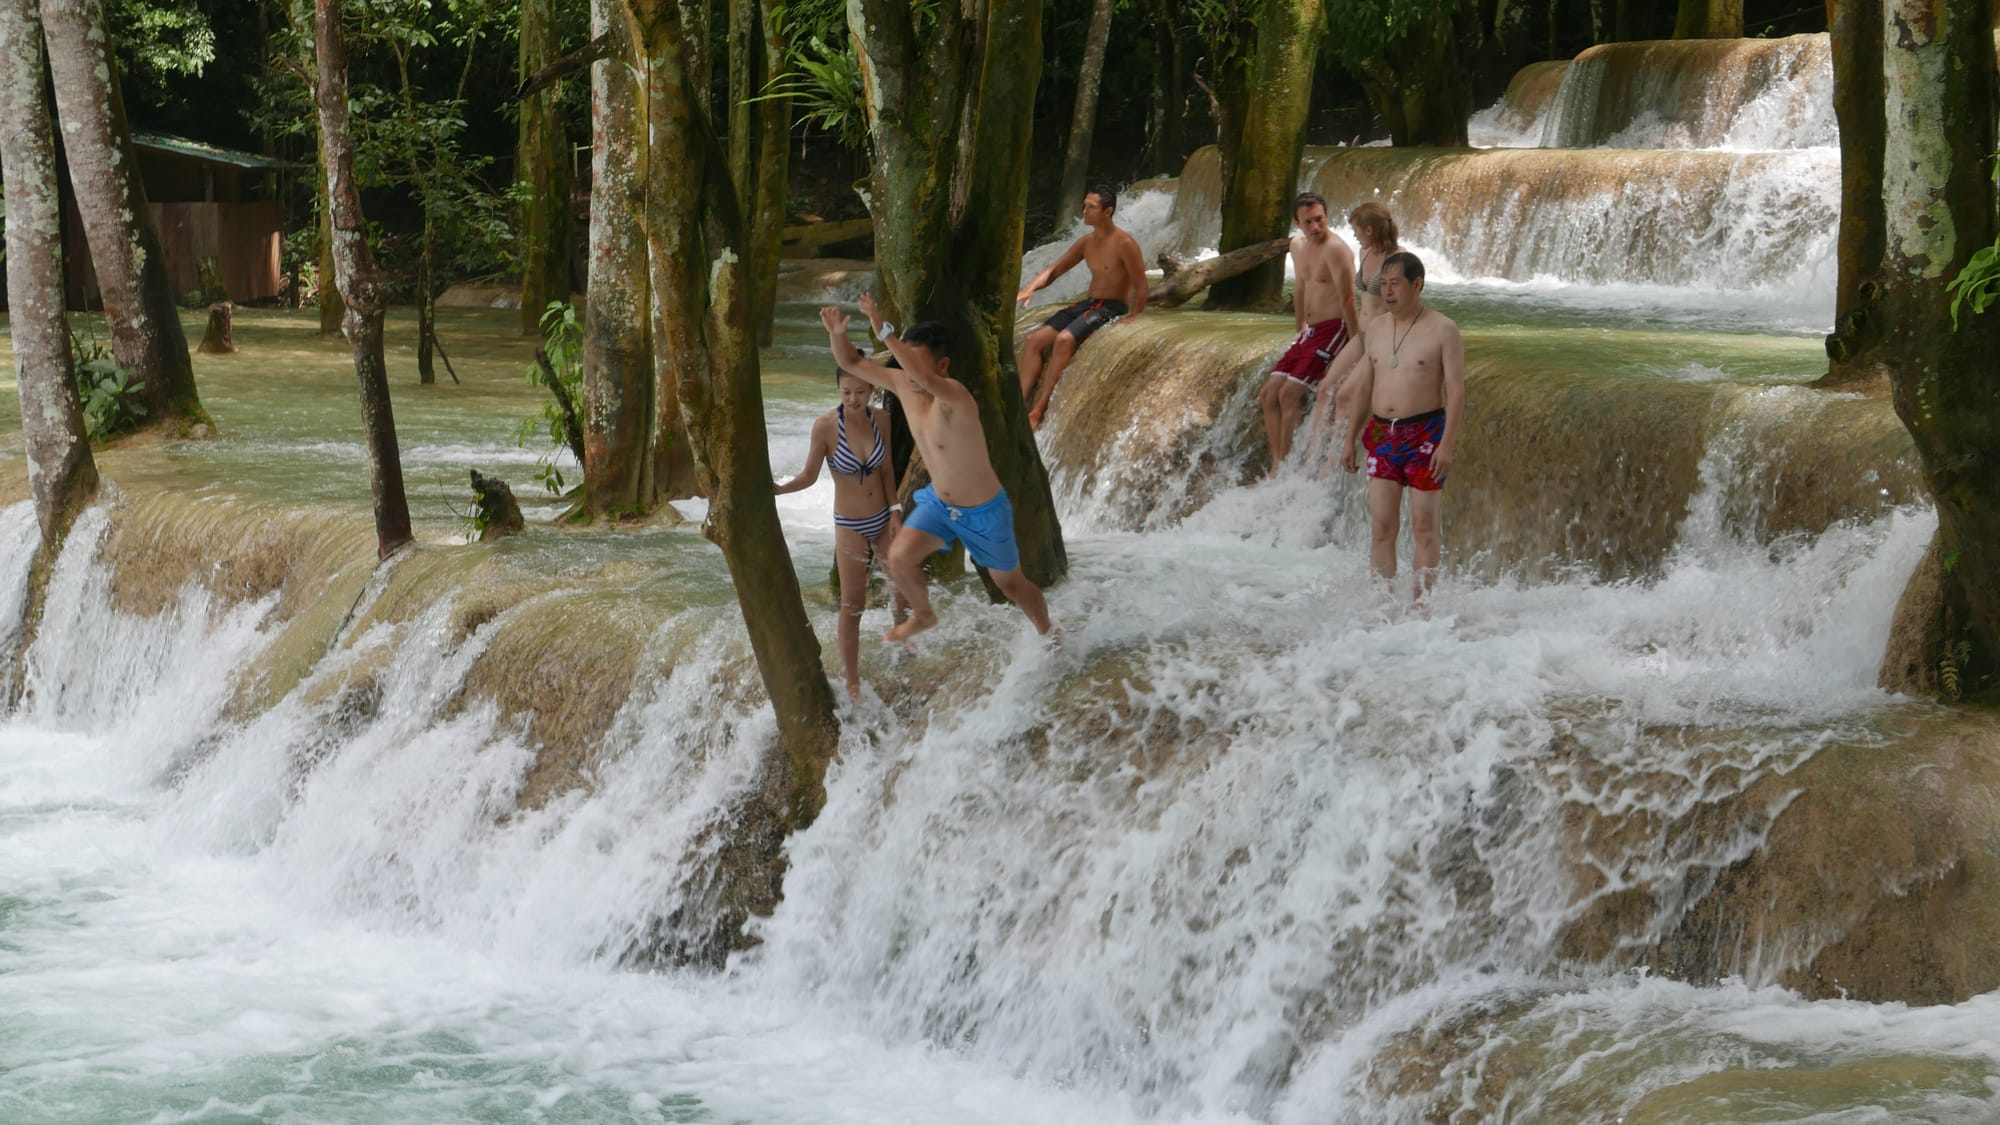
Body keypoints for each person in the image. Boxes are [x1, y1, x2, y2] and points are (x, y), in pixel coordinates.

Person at [820, 294, 1054, 644]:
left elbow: (925, 380)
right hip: (940, 506)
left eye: (917, 364)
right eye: (905, 364)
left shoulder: (954, 396)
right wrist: (837, 333)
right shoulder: (903, 384)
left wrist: (884, 331)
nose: (908, 373)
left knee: (1010, 584)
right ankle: (924, 615)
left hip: (984, 512)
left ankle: (1048, 632)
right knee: (899, 557)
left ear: (942, 366)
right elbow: (850, 362)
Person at [774, 369, 911, 701]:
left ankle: (903, 638)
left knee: (902, 583)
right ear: (838, 389)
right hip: (849, 524)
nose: (853, 399)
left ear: (871, 390)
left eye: (860, 392)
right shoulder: (825, 426)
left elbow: (887, 469)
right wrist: (778, 490)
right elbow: (809, 475)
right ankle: (852, 679)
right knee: (853, 604)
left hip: (882, 517)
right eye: (846, 392)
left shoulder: (882, 419)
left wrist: (895, 512)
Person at [1340, 251, 1465, 601]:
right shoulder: (1376, 328)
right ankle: (1381, 605)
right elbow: (1365, 385)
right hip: (1381, 433)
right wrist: (1350, 439)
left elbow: (1456, 389)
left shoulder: (1444, 329)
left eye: (1395, 284)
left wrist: (1447, 444)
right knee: (1381, 528)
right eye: (1384, 285)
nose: (1388, 292)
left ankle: (1421, 606)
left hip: (1425, 434)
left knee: (1424, 527)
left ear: (1417, 284)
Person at [1015, 187, 1148, 431]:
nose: (1084, 211)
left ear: (1108, 212)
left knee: (1064, 340)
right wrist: (1031, 287)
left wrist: (1134, 316)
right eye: (1084, 205)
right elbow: (1054, 270)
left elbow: (1141, 284)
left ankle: (1038, 410)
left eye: (1091, 207)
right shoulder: (1086, 242)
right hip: (1089, 304)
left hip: (1111, 307)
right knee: (1034, 340)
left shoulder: (1125, 243)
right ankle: (1018, 405)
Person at [1257, 192, 1357, 476]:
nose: (1315, 227)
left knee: (1289, 393)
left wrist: (1356, 344)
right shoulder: (1297, 246)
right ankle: (1277, 463)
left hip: (1335, 329)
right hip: (1311, 332)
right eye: (1308, 222)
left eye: (1320, 220)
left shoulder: (1336, 250)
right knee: (1268, 394)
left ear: (1327, 216)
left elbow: (1349, 300)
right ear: (1296, 223)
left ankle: (1286, 469)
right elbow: (1300, 288)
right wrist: (1300, 328)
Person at [1311, 201, 1402, 475]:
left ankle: (1331, 468)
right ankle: (1311, 458)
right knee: (1325, 388)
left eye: (1357, 230)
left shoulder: (1398, 260)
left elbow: (1403, 306)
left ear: (1370, 229)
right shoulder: (1365, 251)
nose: (1354, 235)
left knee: (1344, 395)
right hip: (1361, 335)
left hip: (1380, 339)